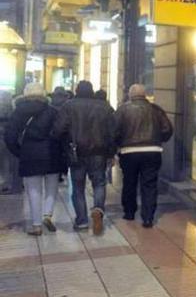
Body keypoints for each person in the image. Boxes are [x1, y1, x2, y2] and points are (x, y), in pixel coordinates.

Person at [52, 80, 116, 235]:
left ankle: (81, 221)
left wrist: (63, 144)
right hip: (99, 152)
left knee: (78, 187)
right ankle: (98, 209)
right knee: (99, 184)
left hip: (76, 152)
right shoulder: (104, 107)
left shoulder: (68, 106)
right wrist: (111, 153)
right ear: (92, 91)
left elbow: (59, 129)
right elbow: (112, 133)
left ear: (76, 90)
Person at [3, 83, 66, 235]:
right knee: (51, 187)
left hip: (30, 154)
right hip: (52, 153)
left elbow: (10, 136)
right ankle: (48, 215)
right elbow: (60, 133)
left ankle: (37, 225)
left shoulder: (18, 112)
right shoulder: (52, 111)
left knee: (33, 190)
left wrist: (20, 152)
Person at [114, 84, 173, 228]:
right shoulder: (156, 109)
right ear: (144, 95)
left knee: (129, 182)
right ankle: (148, 217)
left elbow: (114, 130)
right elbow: (167, 129)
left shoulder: (122, 110)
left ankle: (129, 212)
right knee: (149, 184)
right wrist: (159, 140)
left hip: (129, 151)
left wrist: (118, 145)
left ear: (130, 95)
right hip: (152, 151)